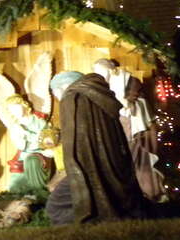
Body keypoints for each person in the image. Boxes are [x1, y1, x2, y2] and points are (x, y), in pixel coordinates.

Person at [46, 71, 147, 224]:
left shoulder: (72, 98)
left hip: (89, 166)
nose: (57, 98)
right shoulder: (99, 93)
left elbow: (74, 143)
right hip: (114, 164)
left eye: (55, 94)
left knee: (56, 205)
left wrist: (74, 170)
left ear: (60, 89)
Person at [93, 59, 166, 202]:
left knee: (144, 174)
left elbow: (148, 126)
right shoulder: (113, 101)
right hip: (121, 146)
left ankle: (151, 196)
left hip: (140, 146)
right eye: (135, 91)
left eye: (139, 91)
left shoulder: (140, 104)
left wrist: (146, 138)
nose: (137, 94)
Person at [3, 95, 51, 195]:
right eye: (12, 110)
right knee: (16, 179)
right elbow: (20, 145)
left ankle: (38, 193)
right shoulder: (15, 126)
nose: (15, 111)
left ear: (24, 105)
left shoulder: (38, 122)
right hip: (23, 153)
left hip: (40, 153)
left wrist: (25, 133)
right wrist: (19, 134)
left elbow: (43, 141)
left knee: (31, 160)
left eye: (16, 107)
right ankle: (17, 197)